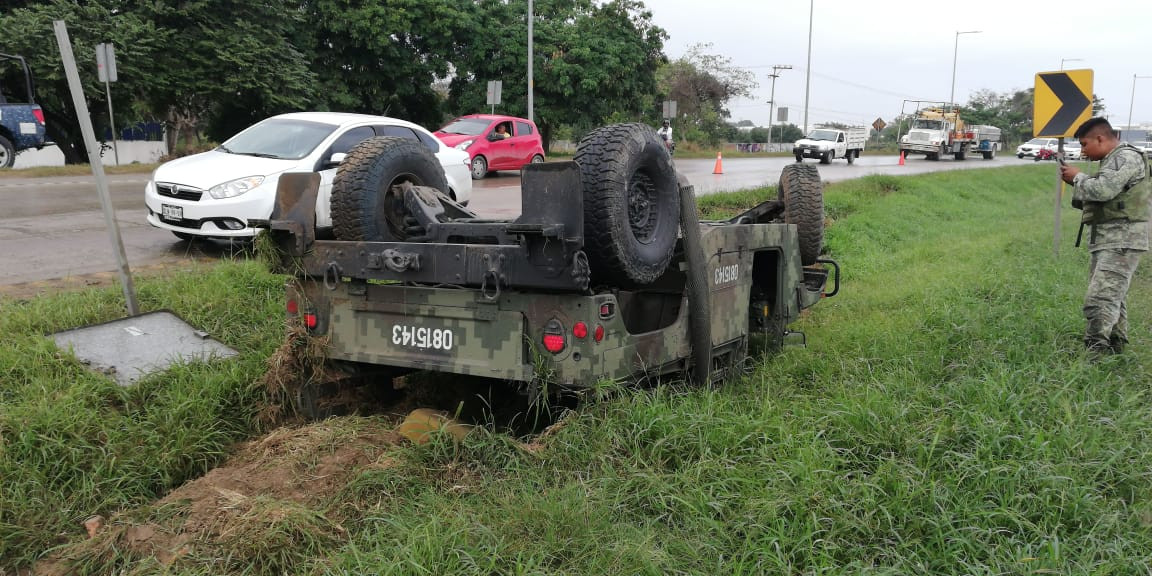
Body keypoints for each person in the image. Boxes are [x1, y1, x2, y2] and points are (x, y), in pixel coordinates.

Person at [1060, 117, 1152, 355]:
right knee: (1113, 297)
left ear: (1100, 138)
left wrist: (1078, 177)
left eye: (1084, 144)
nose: (1082, 151)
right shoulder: (1113, 159)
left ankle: (1095, 355)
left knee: (1100, 298)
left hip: (1123, 239)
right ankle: (1115, 349)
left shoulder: (1125, 157)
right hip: (1111, 238)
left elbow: (1103, 190)